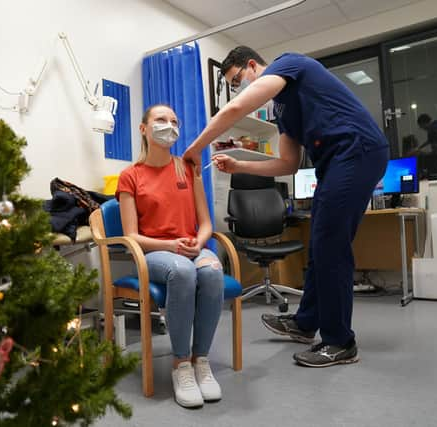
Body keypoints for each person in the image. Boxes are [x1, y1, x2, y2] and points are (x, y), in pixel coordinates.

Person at [184, 47, 389, 368]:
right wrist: (239, 165)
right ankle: (306, 324)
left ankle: (340, 342)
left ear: (252, 65)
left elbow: (236, 108)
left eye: (238, 79)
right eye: (234, 84)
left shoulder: (288, 64)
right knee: (321, 243)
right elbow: (288, 164)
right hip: (334, 163)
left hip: (357, 149)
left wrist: (195, 149)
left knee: (331, 245)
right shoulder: (283, 111)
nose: (239, 88)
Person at [116, 104, 224, 408]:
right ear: (143, 129)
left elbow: (205, 223)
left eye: (175, 121)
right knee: (184, 271)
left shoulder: (187, 169)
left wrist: (197, 242)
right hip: (154, 253)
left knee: (212, 271)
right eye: (161, 120)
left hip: (189, 247)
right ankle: (181, 364)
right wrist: (172, 246)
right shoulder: (130, 176)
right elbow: (130, 237)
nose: (169, 126)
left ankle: (200, 359)